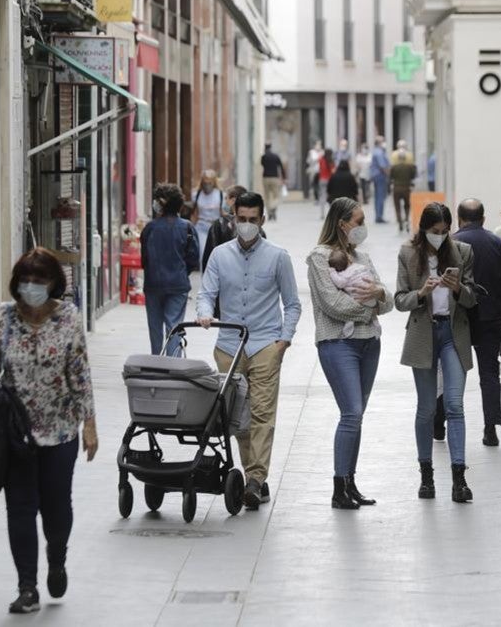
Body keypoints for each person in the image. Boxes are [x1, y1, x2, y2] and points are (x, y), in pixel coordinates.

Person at [0, 248, 98, 614]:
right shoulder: (3, 318)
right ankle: (27, 587)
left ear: (54, 283)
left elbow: (80, 373)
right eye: (26, 281)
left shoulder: (68, 318)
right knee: (20, 509)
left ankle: (57, 557)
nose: (31, 288)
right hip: (15, 433)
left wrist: (89, 423)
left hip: (59, 430)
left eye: (39, 281)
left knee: (56, 508)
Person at [198, 192, 302, 510]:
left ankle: (255, 480)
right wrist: (204, 313)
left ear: (262, 220)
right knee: (239, 418)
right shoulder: (219, 255)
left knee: (261, 413)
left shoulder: (278, 256)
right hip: (229, 346)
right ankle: (253, 475)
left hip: (265, 344)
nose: (245, 225)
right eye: (240, 219)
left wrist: (283, 341)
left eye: (252, 220)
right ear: (233, 218)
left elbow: (293, 304)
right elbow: (206, 292)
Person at [307, 197, 393, 509]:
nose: (363, 227)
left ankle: (350, 481)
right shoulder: (319, 258)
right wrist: (369, 308)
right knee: (351, 412)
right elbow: (333, 305)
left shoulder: (363, 257)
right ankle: (338, 487)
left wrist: (379, 296)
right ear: (342, 223)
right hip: (337, 344)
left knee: (357, 416)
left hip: (370, 343)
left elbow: (387, 298)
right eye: (358, 221)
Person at [395, 202, 478, 503]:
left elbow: (471, 300)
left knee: (455, 404)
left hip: (453, 333)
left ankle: (459, 478)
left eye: (445, 232)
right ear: (423, 229)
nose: (440, 237)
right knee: (427, 408)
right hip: (423, 333)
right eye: (434, 232)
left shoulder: (463, 252)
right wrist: (421, 293)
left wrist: (457, 289)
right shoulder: (408, 253)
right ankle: (426, 475)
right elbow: (399, 300)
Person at [443, 198, 501, 447]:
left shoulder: (450, 244)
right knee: (489, 374)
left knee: (451, 372)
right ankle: (490, 428)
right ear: (483, 219)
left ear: (459, 218)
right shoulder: (497, 242)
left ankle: (440, 421)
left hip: (460, 319)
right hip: (490, 318)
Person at [141, 184, 200, 356]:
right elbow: (193, 258)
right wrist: (181, 272)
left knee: (154, 328)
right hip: (177, 284)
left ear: (161, 204)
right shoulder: (187, 227)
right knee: (174, 326)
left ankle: (156, 361)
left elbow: (144, 259)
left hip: (153, 284)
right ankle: (173, 363)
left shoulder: (150, 228)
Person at [327, 248, 380, 338]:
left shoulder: (344, 274)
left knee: (349, 306)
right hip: (372, 297)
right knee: (372, 314)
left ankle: (349, 323)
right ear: (349, 259)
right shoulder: (359, 267)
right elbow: (372, 276)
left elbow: (340, 284)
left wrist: (332, 272)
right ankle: (375, 323)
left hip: (359, 298)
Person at [201, 185, 254, 271]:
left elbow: (209, 255)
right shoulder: (255, 225)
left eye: (226, 198)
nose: (224, 201)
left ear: (233, 200)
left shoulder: (219, 225)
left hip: (224, 273)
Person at [192, 170, 225, 258]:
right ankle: (204, 271)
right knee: (202, 253)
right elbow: (194, 213)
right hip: (201, 226)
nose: (207, 185)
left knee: (216, 254)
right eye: (205, 182)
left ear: (214, 182)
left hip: (216, 227)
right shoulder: (196, 194)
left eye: (209, 182)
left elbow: (223, 213)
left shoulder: (220, 194)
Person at [389, 148, 418, 233]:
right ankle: (406, 220)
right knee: (407, 205)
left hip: (396, 188)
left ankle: (399, 221)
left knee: (397, 206)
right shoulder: (409, 167)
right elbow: (413, 176)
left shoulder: (394, 167)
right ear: (405, 158)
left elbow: (391, 177)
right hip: (406, 188)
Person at [261, 143, 286, 221]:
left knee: (267, 196)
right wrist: (284, 177)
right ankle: (273, 208)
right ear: (271, 148)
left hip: (265, 178)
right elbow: (281, 167)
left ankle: (269, 213)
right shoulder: (275, 156)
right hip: (274, 178)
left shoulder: (263, 157)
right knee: (276, 196)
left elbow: (262, 164)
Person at [370, 136, 391, 225]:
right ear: (379, 143)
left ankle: (378, 215)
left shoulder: (378, 151)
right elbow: (383, 166)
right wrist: (389, 175)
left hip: (377, 176)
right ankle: (379, 216)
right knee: (380, 196)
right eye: (383, 141)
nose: (384, 143)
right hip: (380, 176)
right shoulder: (379, 153)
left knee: (378, 196)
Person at [317, 147, 335, 218]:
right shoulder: (331, 161)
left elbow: (319, 168)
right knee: (331, 197)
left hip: (322, 180)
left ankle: (322, 214)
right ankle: (331, 213)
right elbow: (333, 171)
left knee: (322, 196)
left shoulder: (321, 159)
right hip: (330, 180)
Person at [307, 140, 324, 204]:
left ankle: (321, 198)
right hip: (314, 171)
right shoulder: (311, 152)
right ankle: (316, 198)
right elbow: (308, 161)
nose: (318, 146)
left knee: (321, 185)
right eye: (317, 145)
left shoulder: (322, 152)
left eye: (319, 145)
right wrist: (316, 160)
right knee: (314, 185)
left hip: (321, 171)